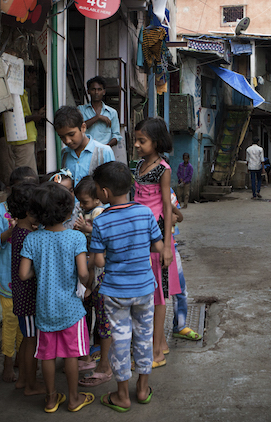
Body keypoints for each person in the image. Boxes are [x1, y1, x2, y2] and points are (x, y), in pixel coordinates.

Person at [89, 161, 164, 411]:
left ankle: (122, 395)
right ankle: (142, 390)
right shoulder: (145, 213)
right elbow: (158, 246)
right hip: (144, 288)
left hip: (115, 291)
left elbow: (99, 259)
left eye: (98, 189)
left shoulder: (101, 222)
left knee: (120, 341)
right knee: (144, 336)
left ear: (105, 193)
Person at [18, 182, 95, 413]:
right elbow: (82, 273)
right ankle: (73, 399)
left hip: (44, 309)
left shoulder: (32, 239)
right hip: (71, 309)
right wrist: (89, 283)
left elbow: (23, 274)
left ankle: (51, 400)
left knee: (47, 356)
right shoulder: (76, 238)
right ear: (68, 211)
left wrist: (41, 270)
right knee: (71, 355)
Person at [132, 117, 181, 367]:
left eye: (143, 141)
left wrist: (168, 245)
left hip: (157, 235)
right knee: (151, 291)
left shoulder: (163, 168)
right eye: (136, 140)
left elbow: (166, 205)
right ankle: (160, 343)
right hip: (140, 234)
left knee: (159, 294)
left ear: (156, 142)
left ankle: (156, 352)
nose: (137, 145)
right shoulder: (140, 165)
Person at [0, 166, 38, 384]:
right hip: (10, 280)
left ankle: (20, 361)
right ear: (10, 189)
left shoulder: (35, 210)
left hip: (29, 281)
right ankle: (7, 363)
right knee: (10, 324)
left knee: (25, 327)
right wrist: (11, 231)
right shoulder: (1, 210)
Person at [5, 181, 46, 396]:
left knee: (27, 339)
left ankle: (23, 379)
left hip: (22, 297)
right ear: (30, 212)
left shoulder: (20, 231)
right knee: (31, 341)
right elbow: (26, 271)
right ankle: (31, 384)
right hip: (28, 298)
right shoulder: (27, 236)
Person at [72, 177, 113, 388]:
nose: (81, 205)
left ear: (98, 198)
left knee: (102, 318)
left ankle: (103, 363)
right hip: (93, 269)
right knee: (95, 315)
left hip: (98, 271)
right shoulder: (91, 211)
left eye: (85, 201)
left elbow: (100, 237)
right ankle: (92, 357)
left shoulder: (100, 213)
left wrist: (84, 229)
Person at [54, 106, 115, 187]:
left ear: (83, 127)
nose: (67, 140)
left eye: (71, 134)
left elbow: (111, 186)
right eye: (62, 137)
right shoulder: (64, 153)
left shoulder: (104, 152)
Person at [0, 89, 44, 187]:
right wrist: (35, 117)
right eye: (32, 78)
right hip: (22, 139)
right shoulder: (15, 92)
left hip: (18, 138)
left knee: (18, 176)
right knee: (25, 178)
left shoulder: (20, 92)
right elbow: (16, 118)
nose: (34, 82)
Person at [169, 191, 201, 343]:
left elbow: (178, 218)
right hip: (154, 249)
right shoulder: (144, 194)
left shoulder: (169, 192)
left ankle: (180, 325)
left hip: (170, 246)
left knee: (180, 289)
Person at [78, 76, 121, 148]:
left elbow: (116, 136)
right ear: (88, 91)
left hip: (104, 153)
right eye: (93, 89)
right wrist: (97, 117)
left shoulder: (112, 112)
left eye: (99, 89)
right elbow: (79, 128)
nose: (96, 92)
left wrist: (106, 146)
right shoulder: (81, 110)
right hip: (85, 151)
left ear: (104, 92)